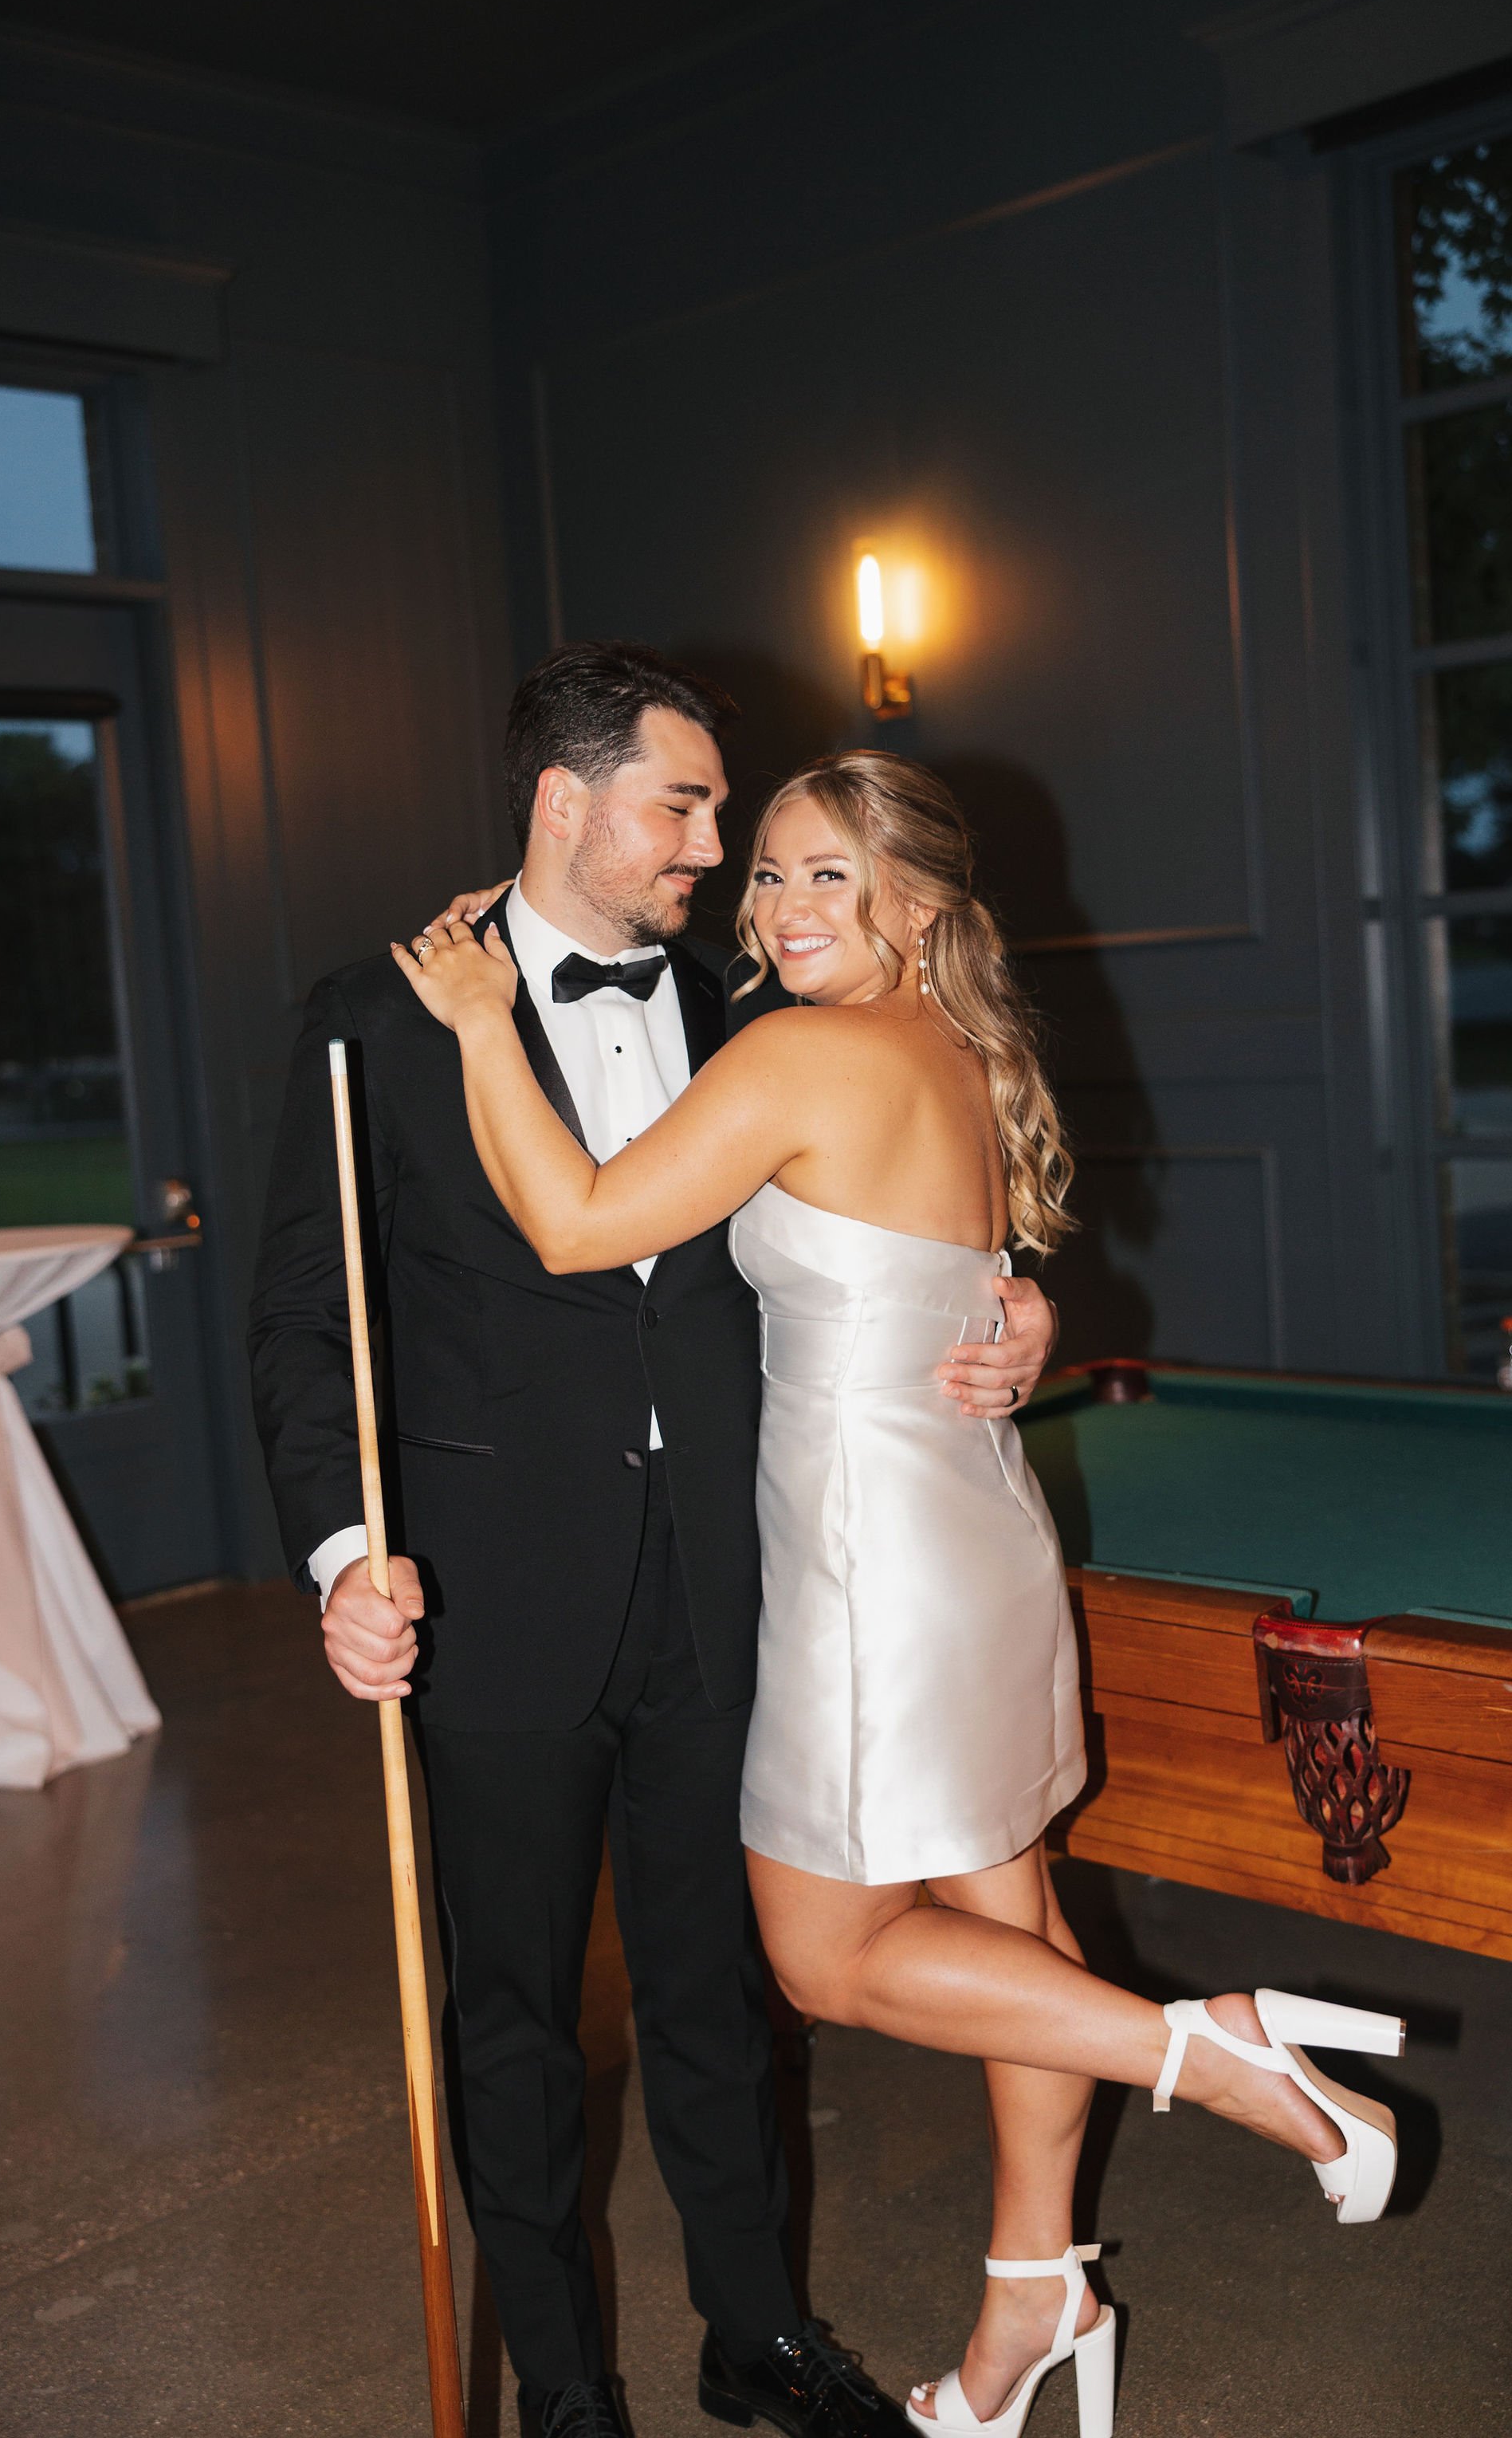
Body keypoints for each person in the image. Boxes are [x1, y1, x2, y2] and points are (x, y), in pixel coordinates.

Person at [394, 748, 1407, 2438]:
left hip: (869, 1563)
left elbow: (577, 1227)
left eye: (824, 878)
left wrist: (481, 1021)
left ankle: (1215, 2053)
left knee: (827, 1960)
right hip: (973, 1537)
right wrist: (1019, 1321)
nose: (777, 907)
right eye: (767, 872)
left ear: (916, 903)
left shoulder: (801, 1052)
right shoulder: (960, 1044)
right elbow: (977, 1276)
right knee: (1007, 1930)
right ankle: (1035, 2293)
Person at [249, 645, 1062, 2438]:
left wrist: (1014, 1310)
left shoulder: (753, 1006)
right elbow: (307, 1327)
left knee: (721, 1998)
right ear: (569, 803)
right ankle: (562, 2387)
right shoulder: (371, 1023)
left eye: (730, 819)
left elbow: (910, 1207)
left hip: (728, 1584)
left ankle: (755, 2332)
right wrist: (337, 1561)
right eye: (686, 806)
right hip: (488, 1596)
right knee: (518, 2024)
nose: (715, 847)